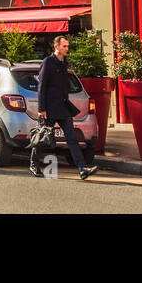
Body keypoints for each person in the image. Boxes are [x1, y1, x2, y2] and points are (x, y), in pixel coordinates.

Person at [29, 35, 98, 180]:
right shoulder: (48, 62)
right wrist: (42, 109)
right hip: (50, 109)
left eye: (67, 46)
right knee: (42, 137)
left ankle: (82, 169)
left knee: (71, 139)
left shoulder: (63, 63)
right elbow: (42, 86)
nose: (67, 49)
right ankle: (34, 165)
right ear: (56, 47)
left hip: (63, 108)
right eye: (64, 46)